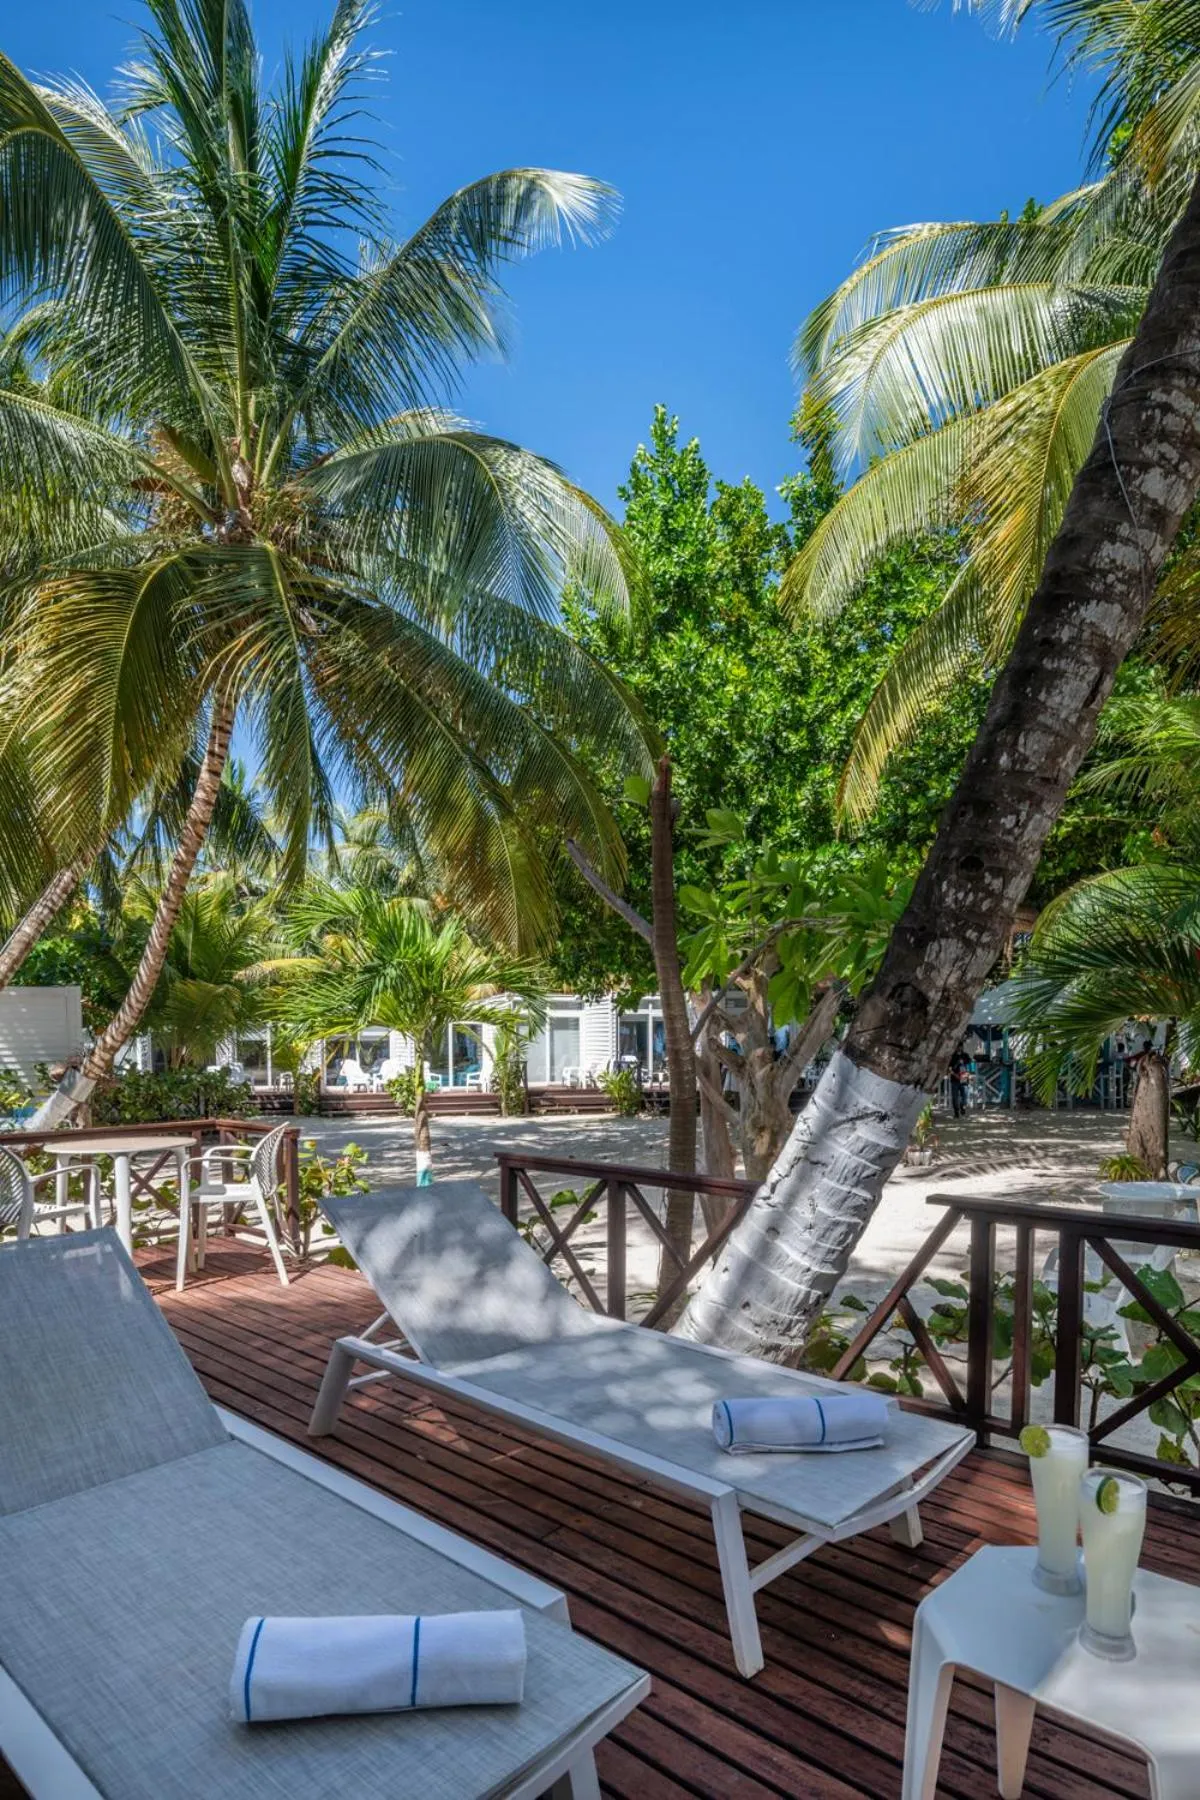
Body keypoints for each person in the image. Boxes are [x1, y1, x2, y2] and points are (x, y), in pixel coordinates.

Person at [949, 1047, 971, 1119]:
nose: (959, 1048)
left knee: (964, 1097)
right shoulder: (952, 1056)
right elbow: (949, 1068)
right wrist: (954, 1074)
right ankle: (956, 1113)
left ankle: (963, 1109)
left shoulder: (965, 1055)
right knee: (955, 1097)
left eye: (960, 1046)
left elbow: (969, 1063)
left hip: (964, 1078)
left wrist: (963, 1062)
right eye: (958, 1046)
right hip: (954, 1078)